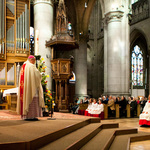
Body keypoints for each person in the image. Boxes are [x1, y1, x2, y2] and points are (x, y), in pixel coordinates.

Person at [17, 55, 45, 120]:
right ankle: (31, 116)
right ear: (31, 60)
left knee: (26, 99)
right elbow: (37, 75)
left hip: (25, 88)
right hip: (31, 88)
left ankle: (25, 116)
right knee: (31, 99)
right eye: (34, 60)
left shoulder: (24, 65)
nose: (34, 62)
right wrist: (41, 75)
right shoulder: (31, 66)